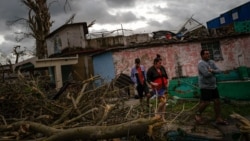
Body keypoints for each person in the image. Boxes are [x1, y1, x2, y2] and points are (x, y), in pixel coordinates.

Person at [195, 49, 228, 125]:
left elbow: (219, 70)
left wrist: (212, 71)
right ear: (202, 55)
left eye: (208, 53)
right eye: (206, 54)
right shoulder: (201, 64)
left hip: (213, 86)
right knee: (206, 102)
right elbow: (205, 74)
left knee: (217, 101)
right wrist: (213, 72)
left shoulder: (211, 62)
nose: (208, 55)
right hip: (205, 86)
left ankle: (218, 118)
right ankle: (197, 114)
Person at [147, 54, 168, 121]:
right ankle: (157, 114)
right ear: (156, 63)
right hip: (157, 89)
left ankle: (162, 117)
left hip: (164, 87)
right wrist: (153, 83)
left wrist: (168, 82)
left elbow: (166, 76)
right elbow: (148, 79)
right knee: (163, 101)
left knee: (164, 103)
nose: (161, 64)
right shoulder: (151, 70)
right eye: (159, 63)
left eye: (161, 63)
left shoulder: (162, 68)